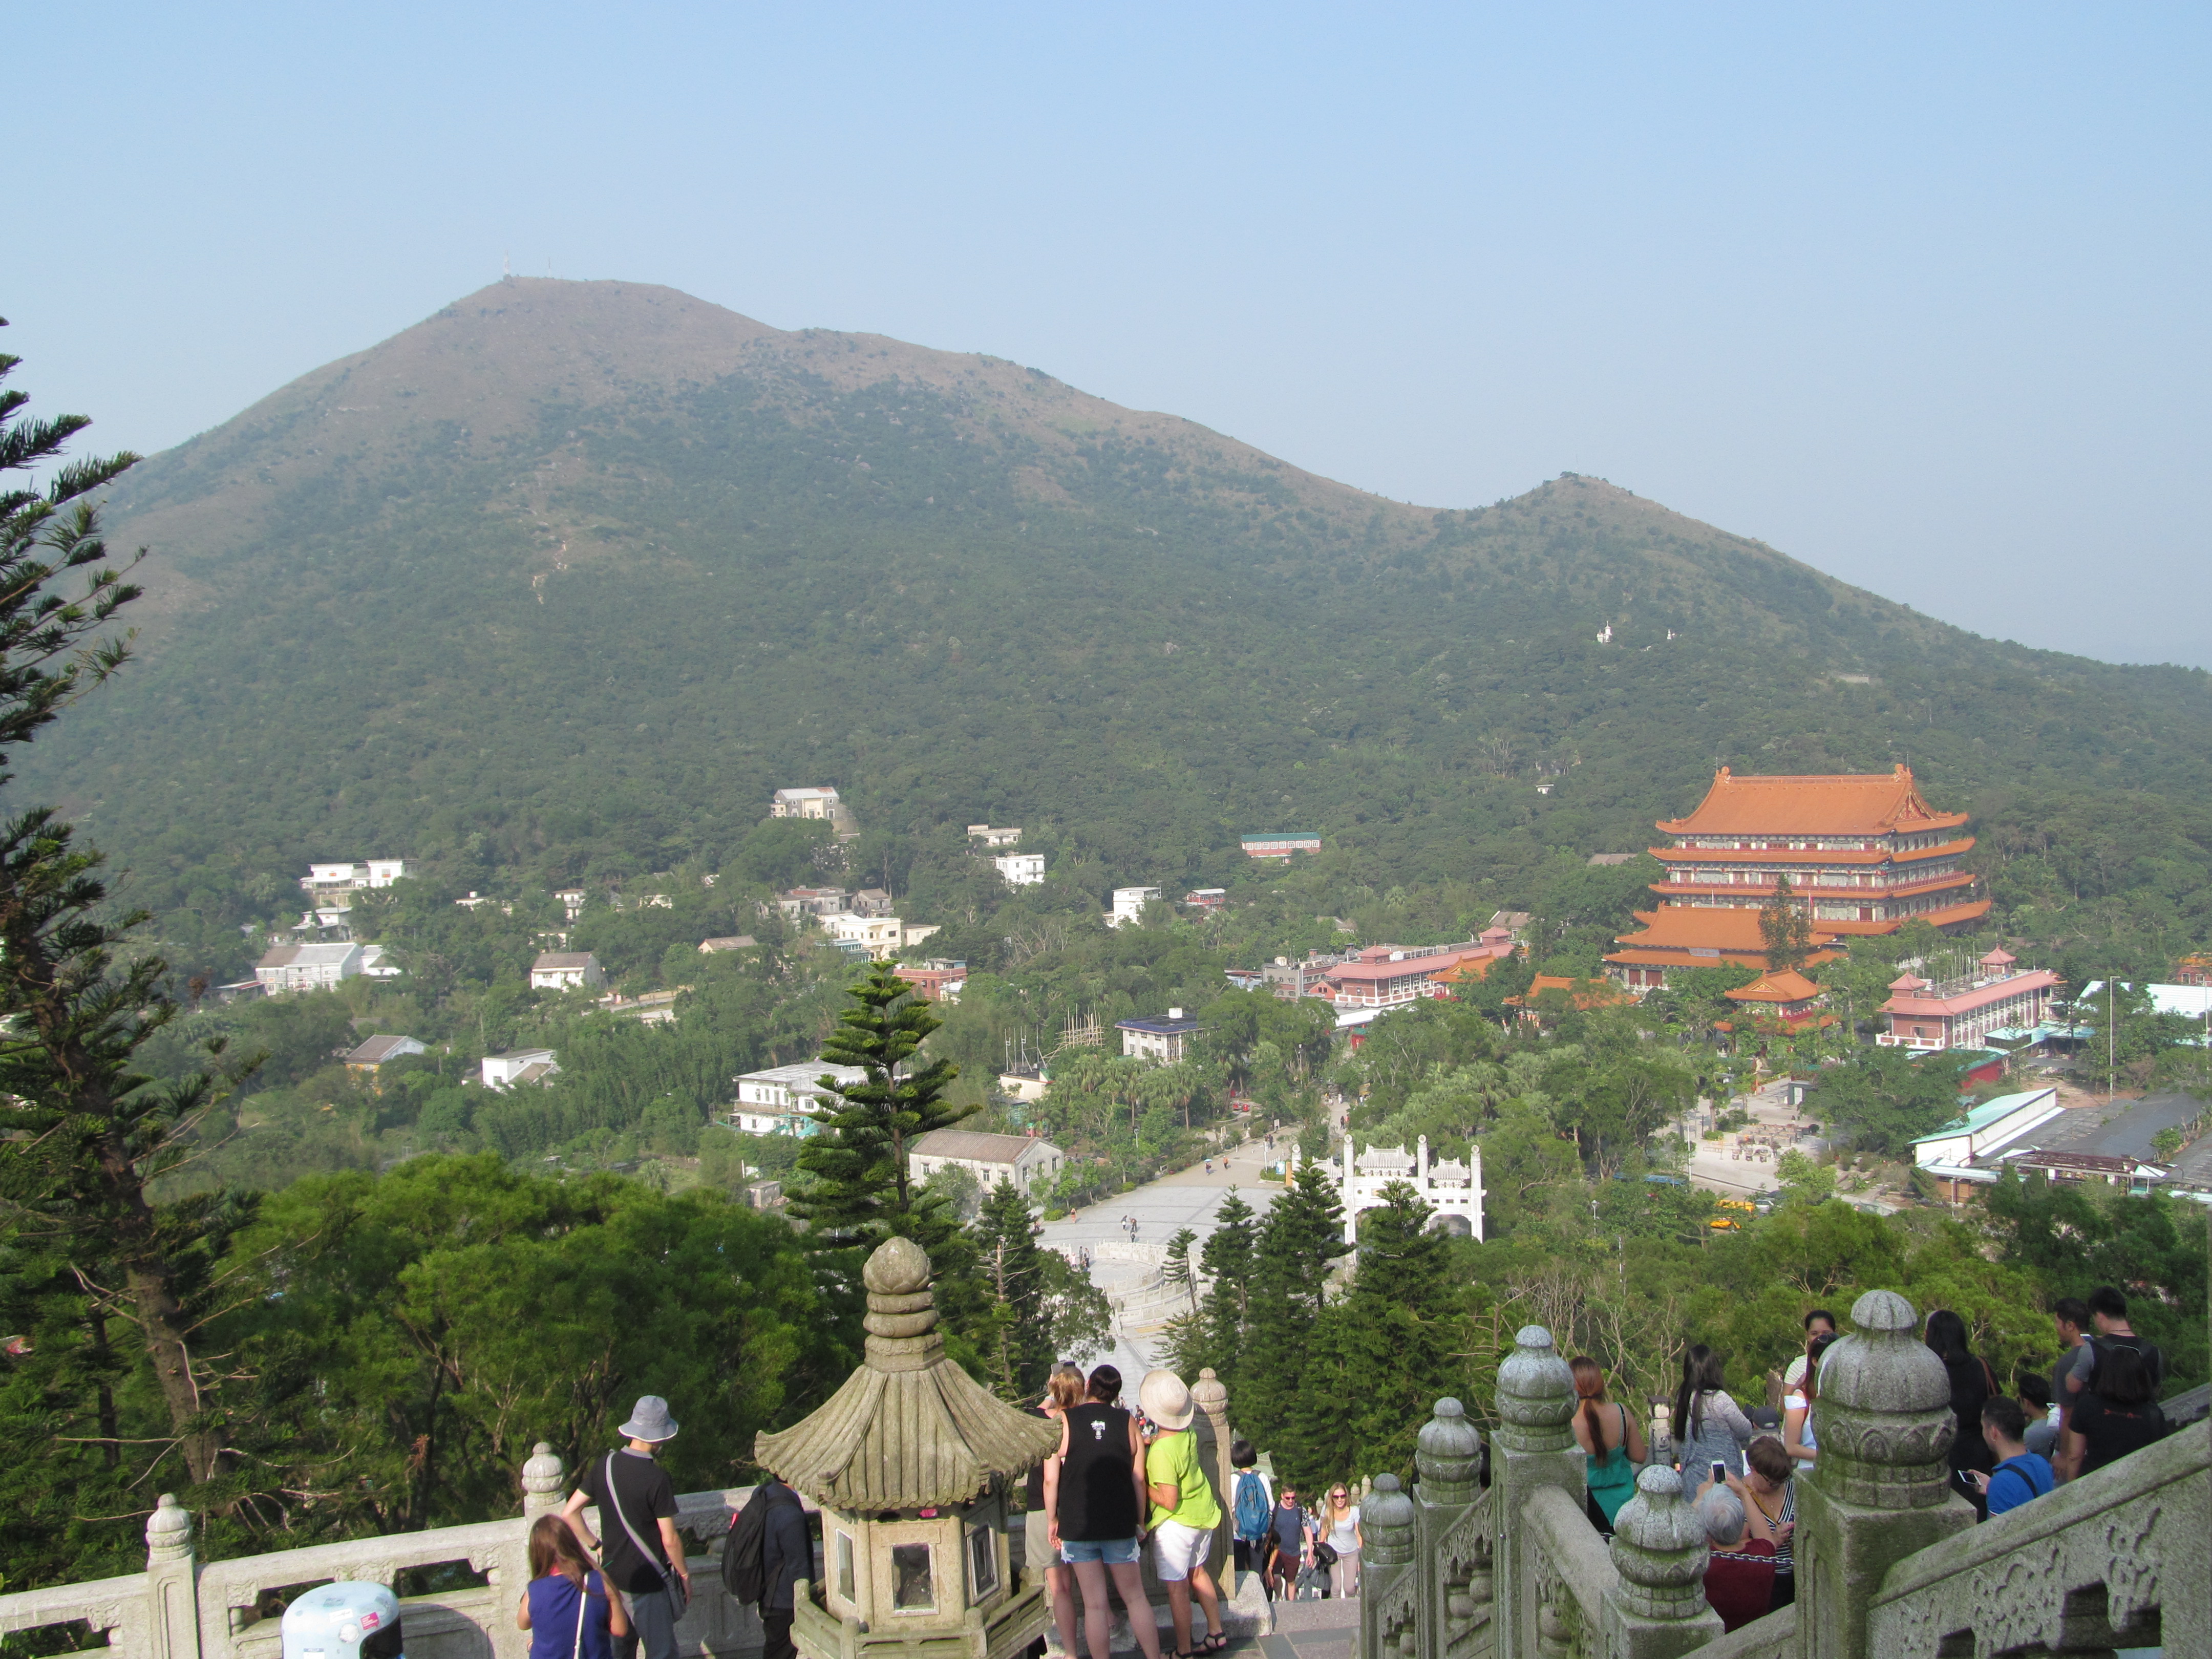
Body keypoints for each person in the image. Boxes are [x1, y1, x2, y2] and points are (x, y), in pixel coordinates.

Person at [1045, 1366, 1165, 1659]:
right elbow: (1139, 1479)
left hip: (1079, 1522)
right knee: (1135, 1597)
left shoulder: (1065, 1420)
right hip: (1119, 1521)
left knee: (1094, 1605)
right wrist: (1140, 1520)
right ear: (1115, 1393)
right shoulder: (1127, 1422)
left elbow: (1050, 1478)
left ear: (1088, 1385)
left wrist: (1052, 1519)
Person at [561, 1397, 690, 1659]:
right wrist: (685, 1576)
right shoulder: (657, 1479)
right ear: (659, 1438)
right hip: (648, 1581)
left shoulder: (604, 1466)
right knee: (662, 1653)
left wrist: (597, 1546)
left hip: (611, 1578)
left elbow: (570, 1513)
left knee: (618, 1652)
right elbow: (670, 1540)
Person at [1138, 1371, 1227, 1655]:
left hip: (1177, 1524)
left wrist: (1142, 1484)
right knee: (1198, 1573)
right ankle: (1216, 1632)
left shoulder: (1161, 1452)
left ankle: (1184, 1650)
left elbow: (1168, 1499)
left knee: (1177, 1590)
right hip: (1202, 1512)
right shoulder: (1187, 1433)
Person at [1028, 1364, 1087, 1656]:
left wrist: (1053, 1392)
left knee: (1059, 1587)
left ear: (1053, 1388)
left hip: (1045, 1509)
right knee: (1090, 1582)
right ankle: (1109, 1624)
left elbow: (1050, 1479)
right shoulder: (1085, 1424)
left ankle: (1071, 1652)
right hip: (1081, 1507)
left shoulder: (1042, 1423)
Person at [518, 1514, 628, 1659]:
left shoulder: (535, 1590)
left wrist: (533, 1645)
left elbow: (523, 1624)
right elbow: (620, 1630)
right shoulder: (599, 1581)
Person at [1924, 1310, 1996, 1517]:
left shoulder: (1929, 1371)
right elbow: (1994, 1404)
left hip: (1939, 1450)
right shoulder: (1980, 1366)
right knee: (1978, 1508)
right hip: (1978, 1450)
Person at [2065, 1344, 2168, 1476]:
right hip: (2136, 1479)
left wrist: (2072, 1485)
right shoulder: (2154, 1414)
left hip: (2096, 1478)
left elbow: (2075, 1455)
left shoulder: (2087, 1405)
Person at [1569, 1356, 1647, 1532]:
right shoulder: (1621, 1412)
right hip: (1623, 1511)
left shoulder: (1569, 1424)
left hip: (1587, 1514)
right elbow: (1640, 1456)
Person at [1694, 1486, 1775, 1634]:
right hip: (1758, 1634)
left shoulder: (1702, 1564)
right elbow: (1767, 1539)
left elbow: (1674, 1542)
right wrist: (1744, 1494)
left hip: (1717, 1637)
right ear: (1741, 1522)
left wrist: (1699, 1499)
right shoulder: (1761, 1555)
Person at [1733, 1436, 1798, 1611]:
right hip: (1766, 1582)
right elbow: (1740, 1545)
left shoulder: (1791, 1487)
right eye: (1772, 1483)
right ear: (1754, 1470)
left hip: (1796, 1576)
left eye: (1782, 1481)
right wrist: (1773, 1540)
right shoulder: (1740, 1498)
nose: (1778, 1486)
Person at [1672, 1345, 1755, 1479]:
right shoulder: (1720, 1399)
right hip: (1724, 1477)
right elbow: (1745, 1431)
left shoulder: (1683, 1398)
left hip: (1693, 1476)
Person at [1965, 1398, 2054, 1519]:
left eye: (1983, 1427)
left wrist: (1997, 1488)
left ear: (1994, 1433)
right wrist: (1993, 1487)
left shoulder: (2001, 1483)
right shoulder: (2041, 1462)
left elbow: (1997, 1530)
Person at [753, 1473, 809, 1659]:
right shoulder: (791, 1515)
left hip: (767, 1592)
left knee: (774, 1650)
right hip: (785, 1601)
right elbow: (800, 1569)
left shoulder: (765, 1493)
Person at [1780, 1331, 1838, 1472]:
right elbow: (1791, 1447)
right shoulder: (1800, 1398)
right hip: (1810, 1471)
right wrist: (1828, 1458)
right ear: (1815, 1361)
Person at [2046, 1296, 2092, 1466]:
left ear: (2070, 1325)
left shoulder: (2067, 1362)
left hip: (2076, 1448)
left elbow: (2067, 1414)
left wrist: (2063, 1454)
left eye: (2057, 1322)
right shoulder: (2102, 1351)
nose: (2056, 1327)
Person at [1228, 1440, 1273, 1576]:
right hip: (1259, 1533)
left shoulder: (1232, 1479)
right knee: (1256, 1572)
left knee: (1239, 1574)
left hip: (1237, 1533)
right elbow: (1271, 1505)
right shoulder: (1262, 1477)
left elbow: (1231, 1505)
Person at [1265, 1484, 1311, 1601]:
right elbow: (1267, 1530)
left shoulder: (1300, 1509)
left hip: (1293, 1552)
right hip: (1277, 1551)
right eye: (1288, 1498)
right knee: (1276, 1577)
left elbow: (1308, 1531)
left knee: (1291, 1581)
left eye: (1293, 1498)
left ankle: (1290, 1604)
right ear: (1282, 1496)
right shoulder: (1275, 1509)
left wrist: (1310, 1552)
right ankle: (1279, 1597)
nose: (1291, 1501)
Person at [1321, 1483, 1363, 1599]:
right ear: (1332, 1498)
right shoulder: (1327, 1510)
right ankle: (1335, 1609)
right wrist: (1321, 1551)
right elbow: (1324, 1531)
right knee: (1336, 1587)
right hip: (1334, 1552)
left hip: (1351, 1551)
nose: (1340, 1500)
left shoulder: (1354, 1511)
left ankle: (1351, 1608)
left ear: (1346, 1496)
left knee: (1350, 1588)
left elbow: (1359, 1535)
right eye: (1336, 1497)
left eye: (1342, 1496)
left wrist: (1361, 1556)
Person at [2015, 1371, 2059, 1459]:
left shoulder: (2031, 1434)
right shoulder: (2059, 1418)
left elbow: (2014, 1459)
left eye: (2019, 1400)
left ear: (2027, 1402)